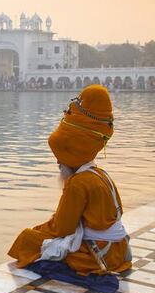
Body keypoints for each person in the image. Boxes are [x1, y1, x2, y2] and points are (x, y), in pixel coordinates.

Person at [8, 85, 132, 279]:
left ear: (67, 161)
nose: (58, 164)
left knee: (27, 238)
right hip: (120, 249)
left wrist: (40, 229)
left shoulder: (78, 183)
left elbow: (63, 228)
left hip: (99, 255)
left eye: (59, 161)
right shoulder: (101, 175)